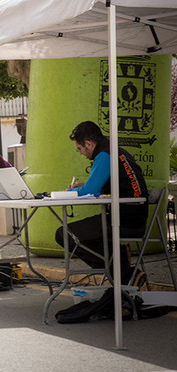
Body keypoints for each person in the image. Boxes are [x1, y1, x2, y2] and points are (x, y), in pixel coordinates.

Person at [55, 120, 148, 283]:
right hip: (133, 214)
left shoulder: (104, 154)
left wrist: (66, 193)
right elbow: (104, 183)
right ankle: (122, 267)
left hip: (124, 219)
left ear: (88, 144)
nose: (80, 153)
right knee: (80, 232)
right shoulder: (114, 150)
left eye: (79, 149)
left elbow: (91, 191)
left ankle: (124, 272)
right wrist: (84, 185)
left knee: (64, 234)